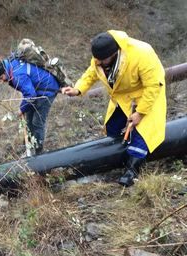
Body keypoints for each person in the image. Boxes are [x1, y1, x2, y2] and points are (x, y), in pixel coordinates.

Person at [62, 30, 166, 187]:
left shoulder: (142, 53)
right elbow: (91, 73)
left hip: (146, 96)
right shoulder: (100, 58)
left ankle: (132, 171)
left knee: (141, 134)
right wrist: (78, 89)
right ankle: (116, 159)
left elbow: (153, 85)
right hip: (122, 98)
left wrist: (140, 113)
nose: (99, 62)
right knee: (112, 128)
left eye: (103, 60)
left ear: (114, 53)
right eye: (97, 59)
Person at [0, 56, 61, 155]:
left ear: (4, 71)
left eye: (1, 78)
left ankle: (38, 151)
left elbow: (30, 95)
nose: (2, 81)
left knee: (37, 122)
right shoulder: (11, 65)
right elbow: (29, 92)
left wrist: (21, 109)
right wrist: (24, 107)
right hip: (36, 91)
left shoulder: (17, 75)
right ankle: (28, 146)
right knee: (29, 120)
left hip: (47, 90)